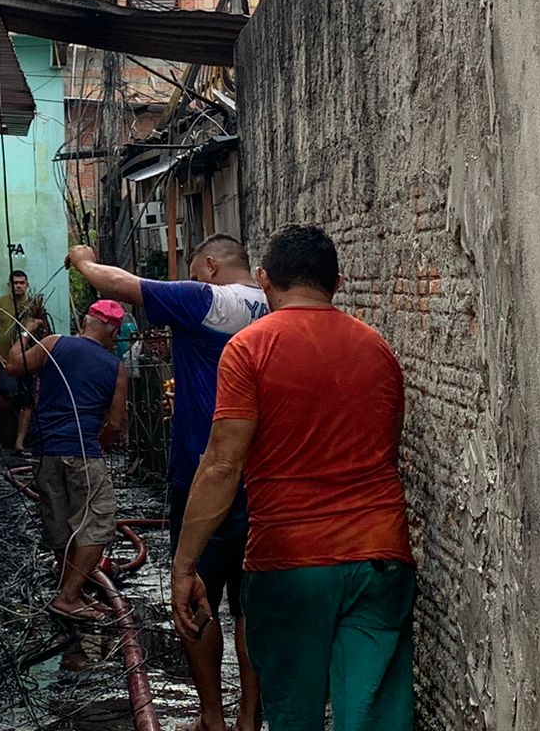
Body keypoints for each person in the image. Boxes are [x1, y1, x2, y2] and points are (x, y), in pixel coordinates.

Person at [170, 225, 415, 731]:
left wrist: (184, 566)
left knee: (294, 714)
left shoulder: (249, 348)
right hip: (380, 558)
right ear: (338, 283)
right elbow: (383, 448)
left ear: (264, 280)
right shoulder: (378, 349)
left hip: (292, 561)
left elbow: (221, 464)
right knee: (372, 714)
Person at [67, 236, 266, 731]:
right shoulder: (273, 303)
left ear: (212, 266)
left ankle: (212, 718)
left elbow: (118, 284)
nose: (193, 279)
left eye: (197, 270)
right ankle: (249, 718)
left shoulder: (207, 299)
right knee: (252, 605)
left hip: (203, 475)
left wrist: (83, 260)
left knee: (195, 593)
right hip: (265, 479)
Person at [0, 298, 128, 623]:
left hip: (44, 451)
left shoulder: (55, 344)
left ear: (86, 322)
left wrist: (26, 331)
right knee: (97, 524)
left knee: (60, 522)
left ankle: (70, 589)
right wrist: (94, 445)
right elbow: (115, 424)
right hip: (83, 451)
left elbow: (13, 364)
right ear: (113, 334)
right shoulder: (115, 367)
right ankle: (68, 596)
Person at [0, 270, 49, 453]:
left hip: (28, 361)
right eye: (15, 283)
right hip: (6, 361)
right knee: (8, 389)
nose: (19, 286)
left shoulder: (32, 306)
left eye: (22, 283)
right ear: (9, 285)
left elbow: (43, 331)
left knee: (27, 401)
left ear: (27, 285)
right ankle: (13, 423)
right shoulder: (1, 303)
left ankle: (19, 443)